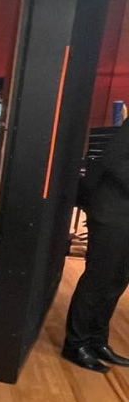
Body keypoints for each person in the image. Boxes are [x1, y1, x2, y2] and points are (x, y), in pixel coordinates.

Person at [62, 118, 129, 373]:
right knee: (98, 279)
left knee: (118, 281)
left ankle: (97, 340)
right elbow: (113, 160)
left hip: (123, 216)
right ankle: (75, 344)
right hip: (111, 213)